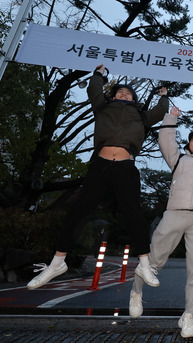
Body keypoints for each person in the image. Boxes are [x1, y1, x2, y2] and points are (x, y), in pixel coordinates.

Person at [27, 64, 168, 290]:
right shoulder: (102, 107)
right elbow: (94, 90)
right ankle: (57, 263)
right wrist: (99, 74)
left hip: (125, 166)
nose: (124, 94)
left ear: (134, 99)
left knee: (133, 214)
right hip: (100, 165)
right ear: (113, 95)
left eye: (128, 93)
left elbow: (160, 112)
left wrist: (164, 97)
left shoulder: (141, 116)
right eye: (120, 92)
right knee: (78, 211)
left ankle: (144, 264)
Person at [129, 105, 193, 338]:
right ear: (189, 143)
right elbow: (166, 142)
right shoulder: (178, 159)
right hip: (175, 212)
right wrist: (171, 118)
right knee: (154, 258)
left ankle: (189, 315)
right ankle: (136, 292)